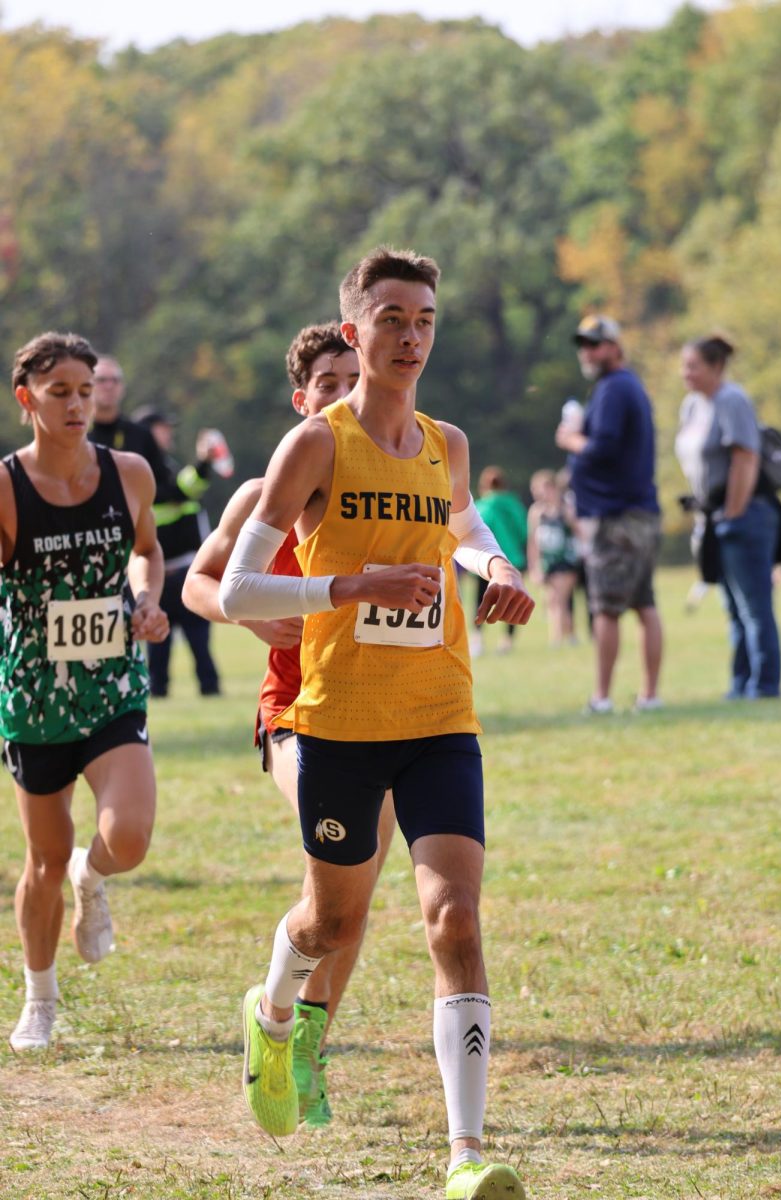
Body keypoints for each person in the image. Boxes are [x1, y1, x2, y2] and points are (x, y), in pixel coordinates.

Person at [218, 248, 533, 1200]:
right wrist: (350, 586)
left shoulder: (448, 442)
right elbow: (235, 590)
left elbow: (465, 526)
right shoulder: (316, 444)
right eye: (392, 318)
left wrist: (499, 570)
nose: (411, 335)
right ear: (354, 333)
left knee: (457, 918)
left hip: (440, 717)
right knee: (332, 919)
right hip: (340, 725)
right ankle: (273, 1018)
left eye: (425, 319)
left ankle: (467, 1152)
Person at [183, 320, 396, 1127]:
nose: (348, 395)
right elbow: (202, 584)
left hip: (381, 705)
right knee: (346, 863)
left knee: (358, 886)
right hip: (294, 712)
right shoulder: (266, 489)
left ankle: (306, 1045)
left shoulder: (391, 470)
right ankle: (277, 1018)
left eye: (356, 379)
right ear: (301, 398)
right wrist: (246, 619)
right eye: (331, 384)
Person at [0, 332, 168, 1052]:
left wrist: (147, 599)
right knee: (41, 856)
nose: (79, 403)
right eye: (60, 390)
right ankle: (39, 999)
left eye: (86, 387)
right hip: (34, 696)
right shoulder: (5, 487)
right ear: (26, 398)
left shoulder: (128, 473)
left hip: (110, 684)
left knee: (126, 837)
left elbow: (148, 552)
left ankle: (91, 879)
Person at [555, 314, 663, 714]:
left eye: (595, 343)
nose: (587, 351)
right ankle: (650, 695)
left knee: (605, 607)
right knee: (644, 603)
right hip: (638, 512)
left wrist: (570, 439)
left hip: (616, 516)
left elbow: (604, 448)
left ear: (615, 347)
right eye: (583, 344)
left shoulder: (615, 388)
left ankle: (601, 698)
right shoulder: (621, 386)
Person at [675, 333, 781, 698]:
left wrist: (733, 515)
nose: (685, 373)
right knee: (733, 607)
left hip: (746, 515)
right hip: (713, 517)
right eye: (684, 365)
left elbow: (745, 458)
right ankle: (741, 683)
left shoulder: (731, 400)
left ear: (716, 366)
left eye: (693, 366)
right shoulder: (691, 405)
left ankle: (764, 685)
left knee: (754, 606)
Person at [131, 406, 221, 698]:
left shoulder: (163, 465)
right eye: (162, 427)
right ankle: (161, 692)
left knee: (198, 639)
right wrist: (203, 462)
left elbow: (184, 490)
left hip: (184, 569)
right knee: (160, 643)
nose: (168, 433)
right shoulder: (140, 468)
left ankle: (208, 690)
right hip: (161, 572)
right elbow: (177, 492)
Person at [88, 356, 172, 497]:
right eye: (101, 380)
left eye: (115, 380)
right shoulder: (75, 434)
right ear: (87, 386)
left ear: (123, 388)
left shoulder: (141, 435)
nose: (109, 386)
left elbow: (163, 485)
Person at [471, 466, 529, 656]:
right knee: (512, 601)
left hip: (487, 562)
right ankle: (507, 642)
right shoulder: (514, 505)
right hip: (512, 560)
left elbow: (474, 533)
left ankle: (478, 639)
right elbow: (523, 532)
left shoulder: (482, 506)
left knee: (480, 599)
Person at [527, 469, 579, 646]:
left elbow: (579, 532)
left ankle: (556, 639)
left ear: (551, 488)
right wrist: (534, 567)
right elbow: (533, 542)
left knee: (557, 598)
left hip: (566, 559)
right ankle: (571, 636)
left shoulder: (567, 509)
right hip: (548, 562)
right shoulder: (536, 512)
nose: (537, 493)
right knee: (554, 600)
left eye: (540, 489)